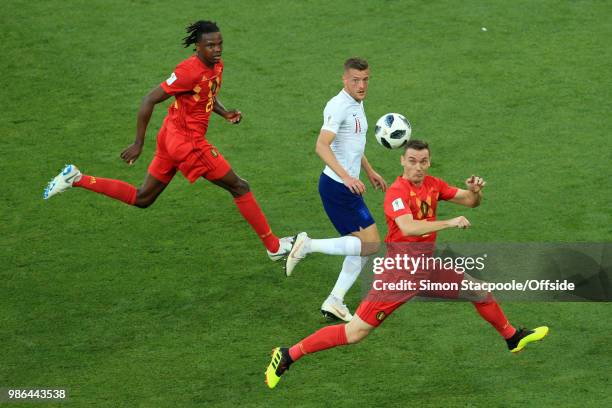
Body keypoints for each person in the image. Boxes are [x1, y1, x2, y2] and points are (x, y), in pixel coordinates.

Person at [266, 140, 549, 389]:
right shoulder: (396, 193)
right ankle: (288, 354)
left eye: (423, 161)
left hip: (426, 269)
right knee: (354, 333)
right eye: (412, 161)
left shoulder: (434, 184)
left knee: (478, 291)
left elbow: (470, 202)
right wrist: (449, 222)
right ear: (402, 161)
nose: (418, 167)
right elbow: (408, 227)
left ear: (429, 162)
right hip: (398, 275)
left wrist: (474, 191)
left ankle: (512, 337)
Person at [43, 20, 292, 260]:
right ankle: (274, 246)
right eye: (210, 45)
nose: (216, 50)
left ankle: (75, 178)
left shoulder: (216, 65)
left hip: (171, 135)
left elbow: (207, 95)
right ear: (197, 46)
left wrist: (225, 112)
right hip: (188, 143)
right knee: (239, 186)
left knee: (143, 198)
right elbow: (149, 99)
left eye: (219, 44)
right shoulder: (187, 71)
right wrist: (138, 143)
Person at [286, 57, 387, 322]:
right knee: (371, 244)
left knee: (363, 247)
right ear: (344, 79)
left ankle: (335, 300)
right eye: (355, 80)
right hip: (338, 187)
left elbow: (353, 144)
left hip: (347, 185)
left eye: (365, 79)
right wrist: (347, 178)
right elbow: (322, 145)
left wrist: (368, 170)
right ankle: (308, 245)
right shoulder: (339, 106)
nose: (361, 85)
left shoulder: (357, 102)